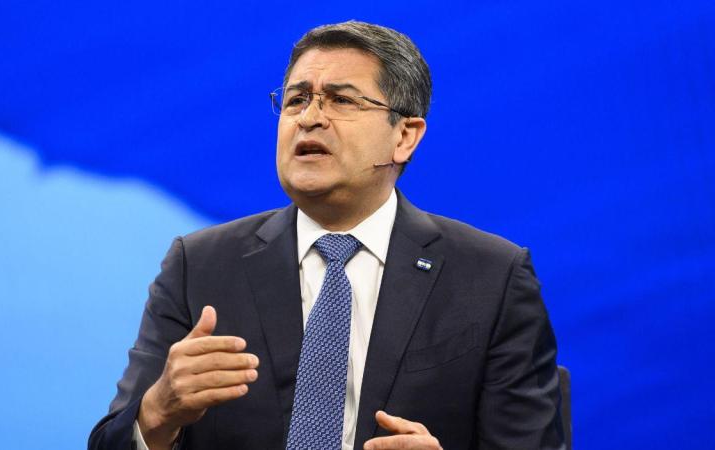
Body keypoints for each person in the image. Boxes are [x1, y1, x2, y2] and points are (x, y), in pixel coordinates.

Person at [89, 20, 564, 450]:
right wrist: (157, 414)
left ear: (405, 136)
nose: (309, 118)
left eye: (341, 100)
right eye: (296, 99)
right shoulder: (199, 266)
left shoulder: (491, 277)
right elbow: (110, 442)